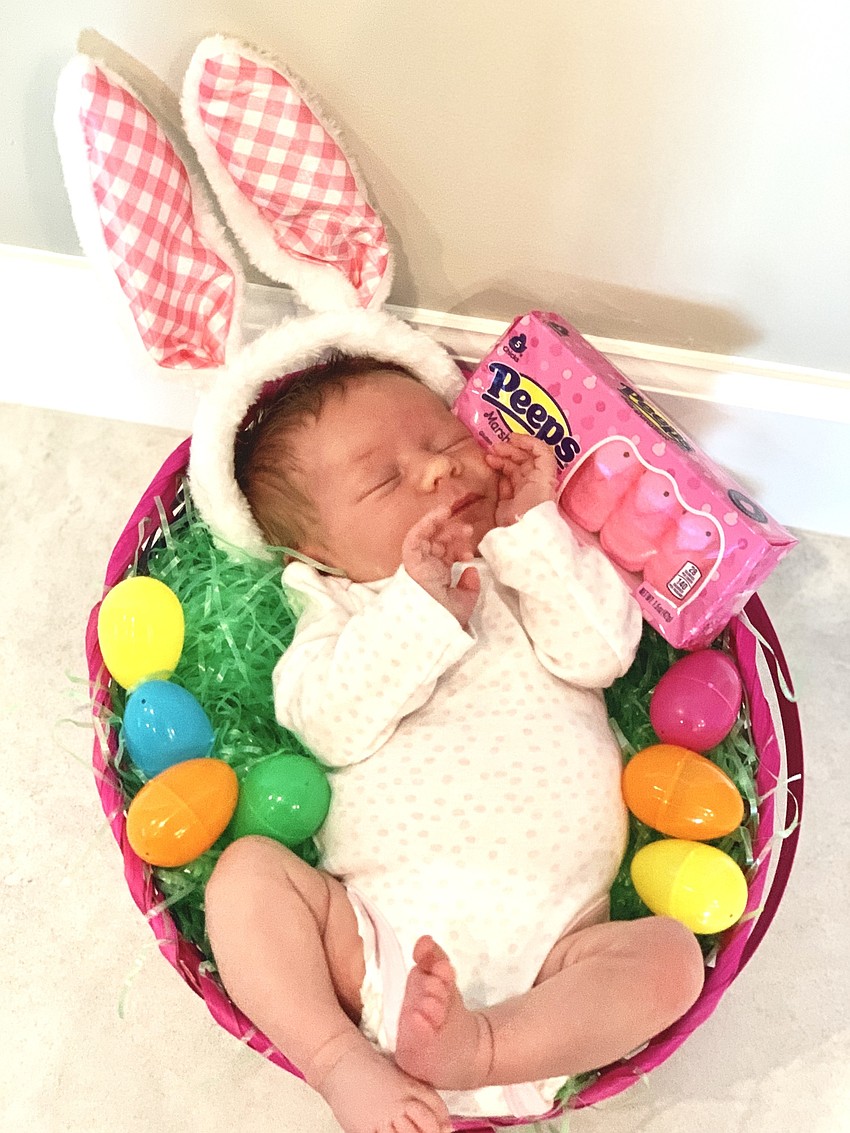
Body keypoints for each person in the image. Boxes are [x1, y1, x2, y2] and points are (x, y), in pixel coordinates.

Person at [205, 355, 705, 1133]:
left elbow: (603, 653)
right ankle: (339, 1056)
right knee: (245, 882)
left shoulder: (521, 563)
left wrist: (536, 531)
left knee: (671, 958)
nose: (440, 467)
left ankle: (489, 1046)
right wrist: (417, 607)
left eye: (445, 435)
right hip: (376, 937)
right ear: (319, 555)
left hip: (557, 941)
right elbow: (326, 721)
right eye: (385, 480)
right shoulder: (337, 604)